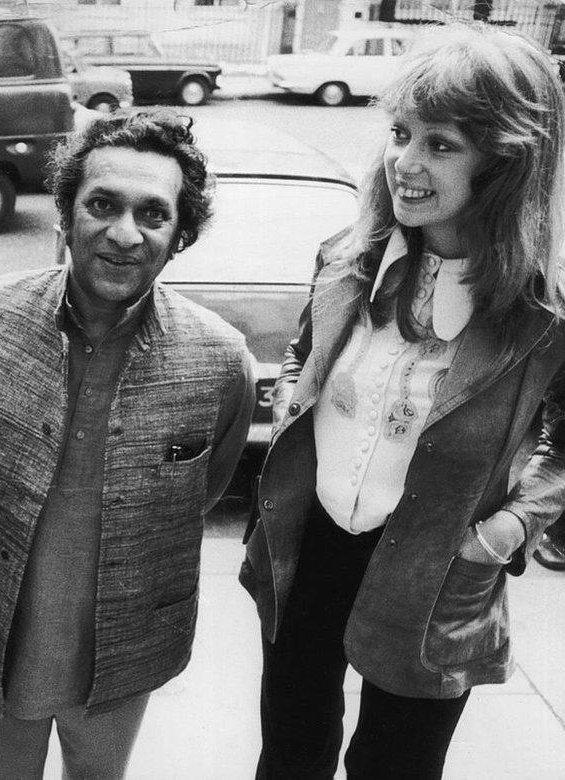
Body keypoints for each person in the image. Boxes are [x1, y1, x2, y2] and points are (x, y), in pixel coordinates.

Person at [240, 23, 565, 779]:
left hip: (437, 567)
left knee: (395, 767)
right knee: (290, 752)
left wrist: (508, 530)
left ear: (505, 162)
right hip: (310, 542)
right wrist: (292, 399)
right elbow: (304, 353)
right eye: (399, 132)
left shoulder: (540, 317)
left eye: (441, 144)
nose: (404, 164)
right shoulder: (344, 260)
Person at [0, 108, 256, 778]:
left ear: (181, 236)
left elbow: (207, 490)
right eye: (102, 204)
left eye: (153, 214)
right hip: (2, 632)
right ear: (65, 213)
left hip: (127, 647)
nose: (122, 233)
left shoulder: (222, 360)